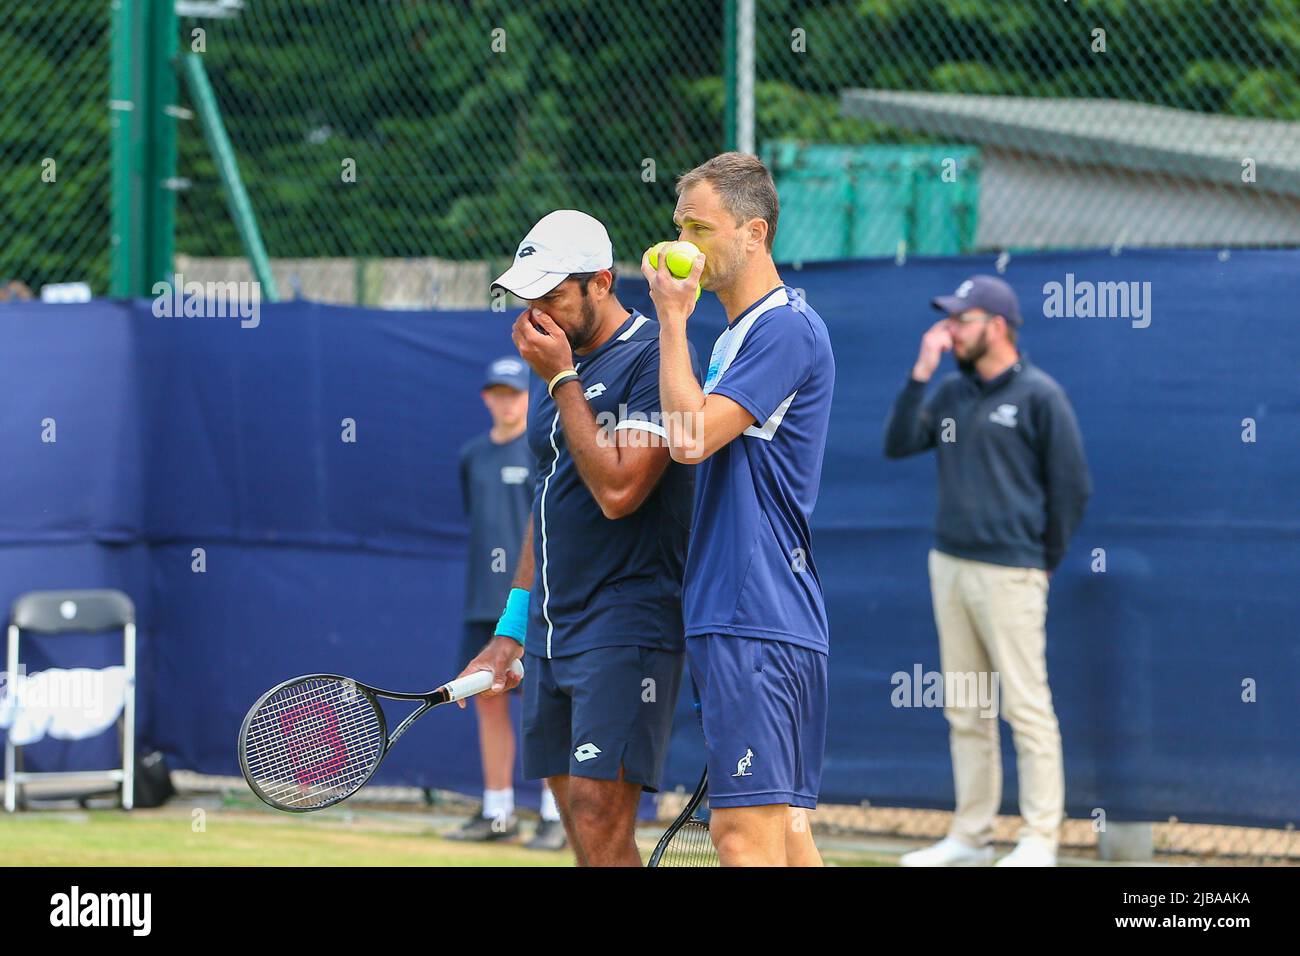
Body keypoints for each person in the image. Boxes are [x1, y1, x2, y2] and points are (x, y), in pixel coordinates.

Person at [458, 209, 698, 867]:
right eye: (529, 297)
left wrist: (561, 380)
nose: (538, 311)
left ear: (599, 280)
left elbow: (620, 491)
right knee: (583, 833)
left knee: (599, 817)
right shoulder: (557, 365)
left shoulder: (655, 357)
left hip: (629, 620)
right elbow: (551, 504)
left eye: (553, 295)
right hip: (550, 629)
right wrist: (511, 630)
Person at [647, 152, 835, 866]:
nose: (682, 245)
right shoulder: (737, 333)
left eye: (702, 229)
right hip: (751, 613)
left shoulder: (784, 329)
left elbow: (689, 439)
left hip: (754, 613)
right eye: (678, 226)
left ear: (754, 234)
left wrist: (670, 320)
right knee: (784, 834)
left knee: (740, 836)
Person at [883, 274, 1092, 867]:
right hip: (949, 566)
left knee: (1025, 707)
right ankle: (972, 838)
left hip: (1013, 575)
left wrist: (1042, 563)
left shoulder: (1041, 396)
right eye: (948, 319)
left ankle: (1038, 841)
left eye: (961, 320)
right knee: (965, 710)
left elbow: (1073, 490)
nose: (950, 330)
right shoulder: (949, 393)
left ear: (996, 327)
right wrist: (921, 371)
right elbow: (897, 444)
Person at [446, 356, 565, 850]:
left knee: (542, 710)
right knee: (488, 706)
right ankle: (497, 811)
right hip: (481, 605)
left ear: (527, 398)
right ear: (486, 398)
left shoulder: (542, 452)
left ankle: (555, 815)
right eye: (497, 392)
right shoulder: (471, 456)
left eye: (514, 393)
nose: (506, 401)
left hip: (533, 608)